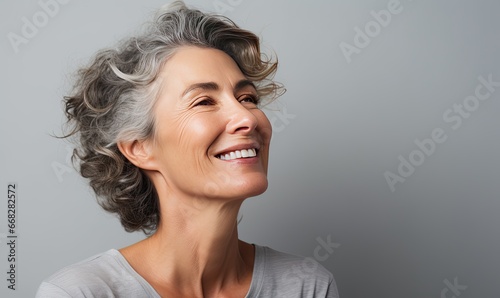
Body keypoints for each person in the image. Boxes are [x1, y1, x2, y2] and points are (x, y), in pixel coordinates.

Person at [36, 1, 339, 297]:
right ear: (140, 148)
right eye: (204, 101)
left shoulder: (305, 285)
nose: (247, 117)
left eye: (247, 98)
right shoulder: (79, 292)